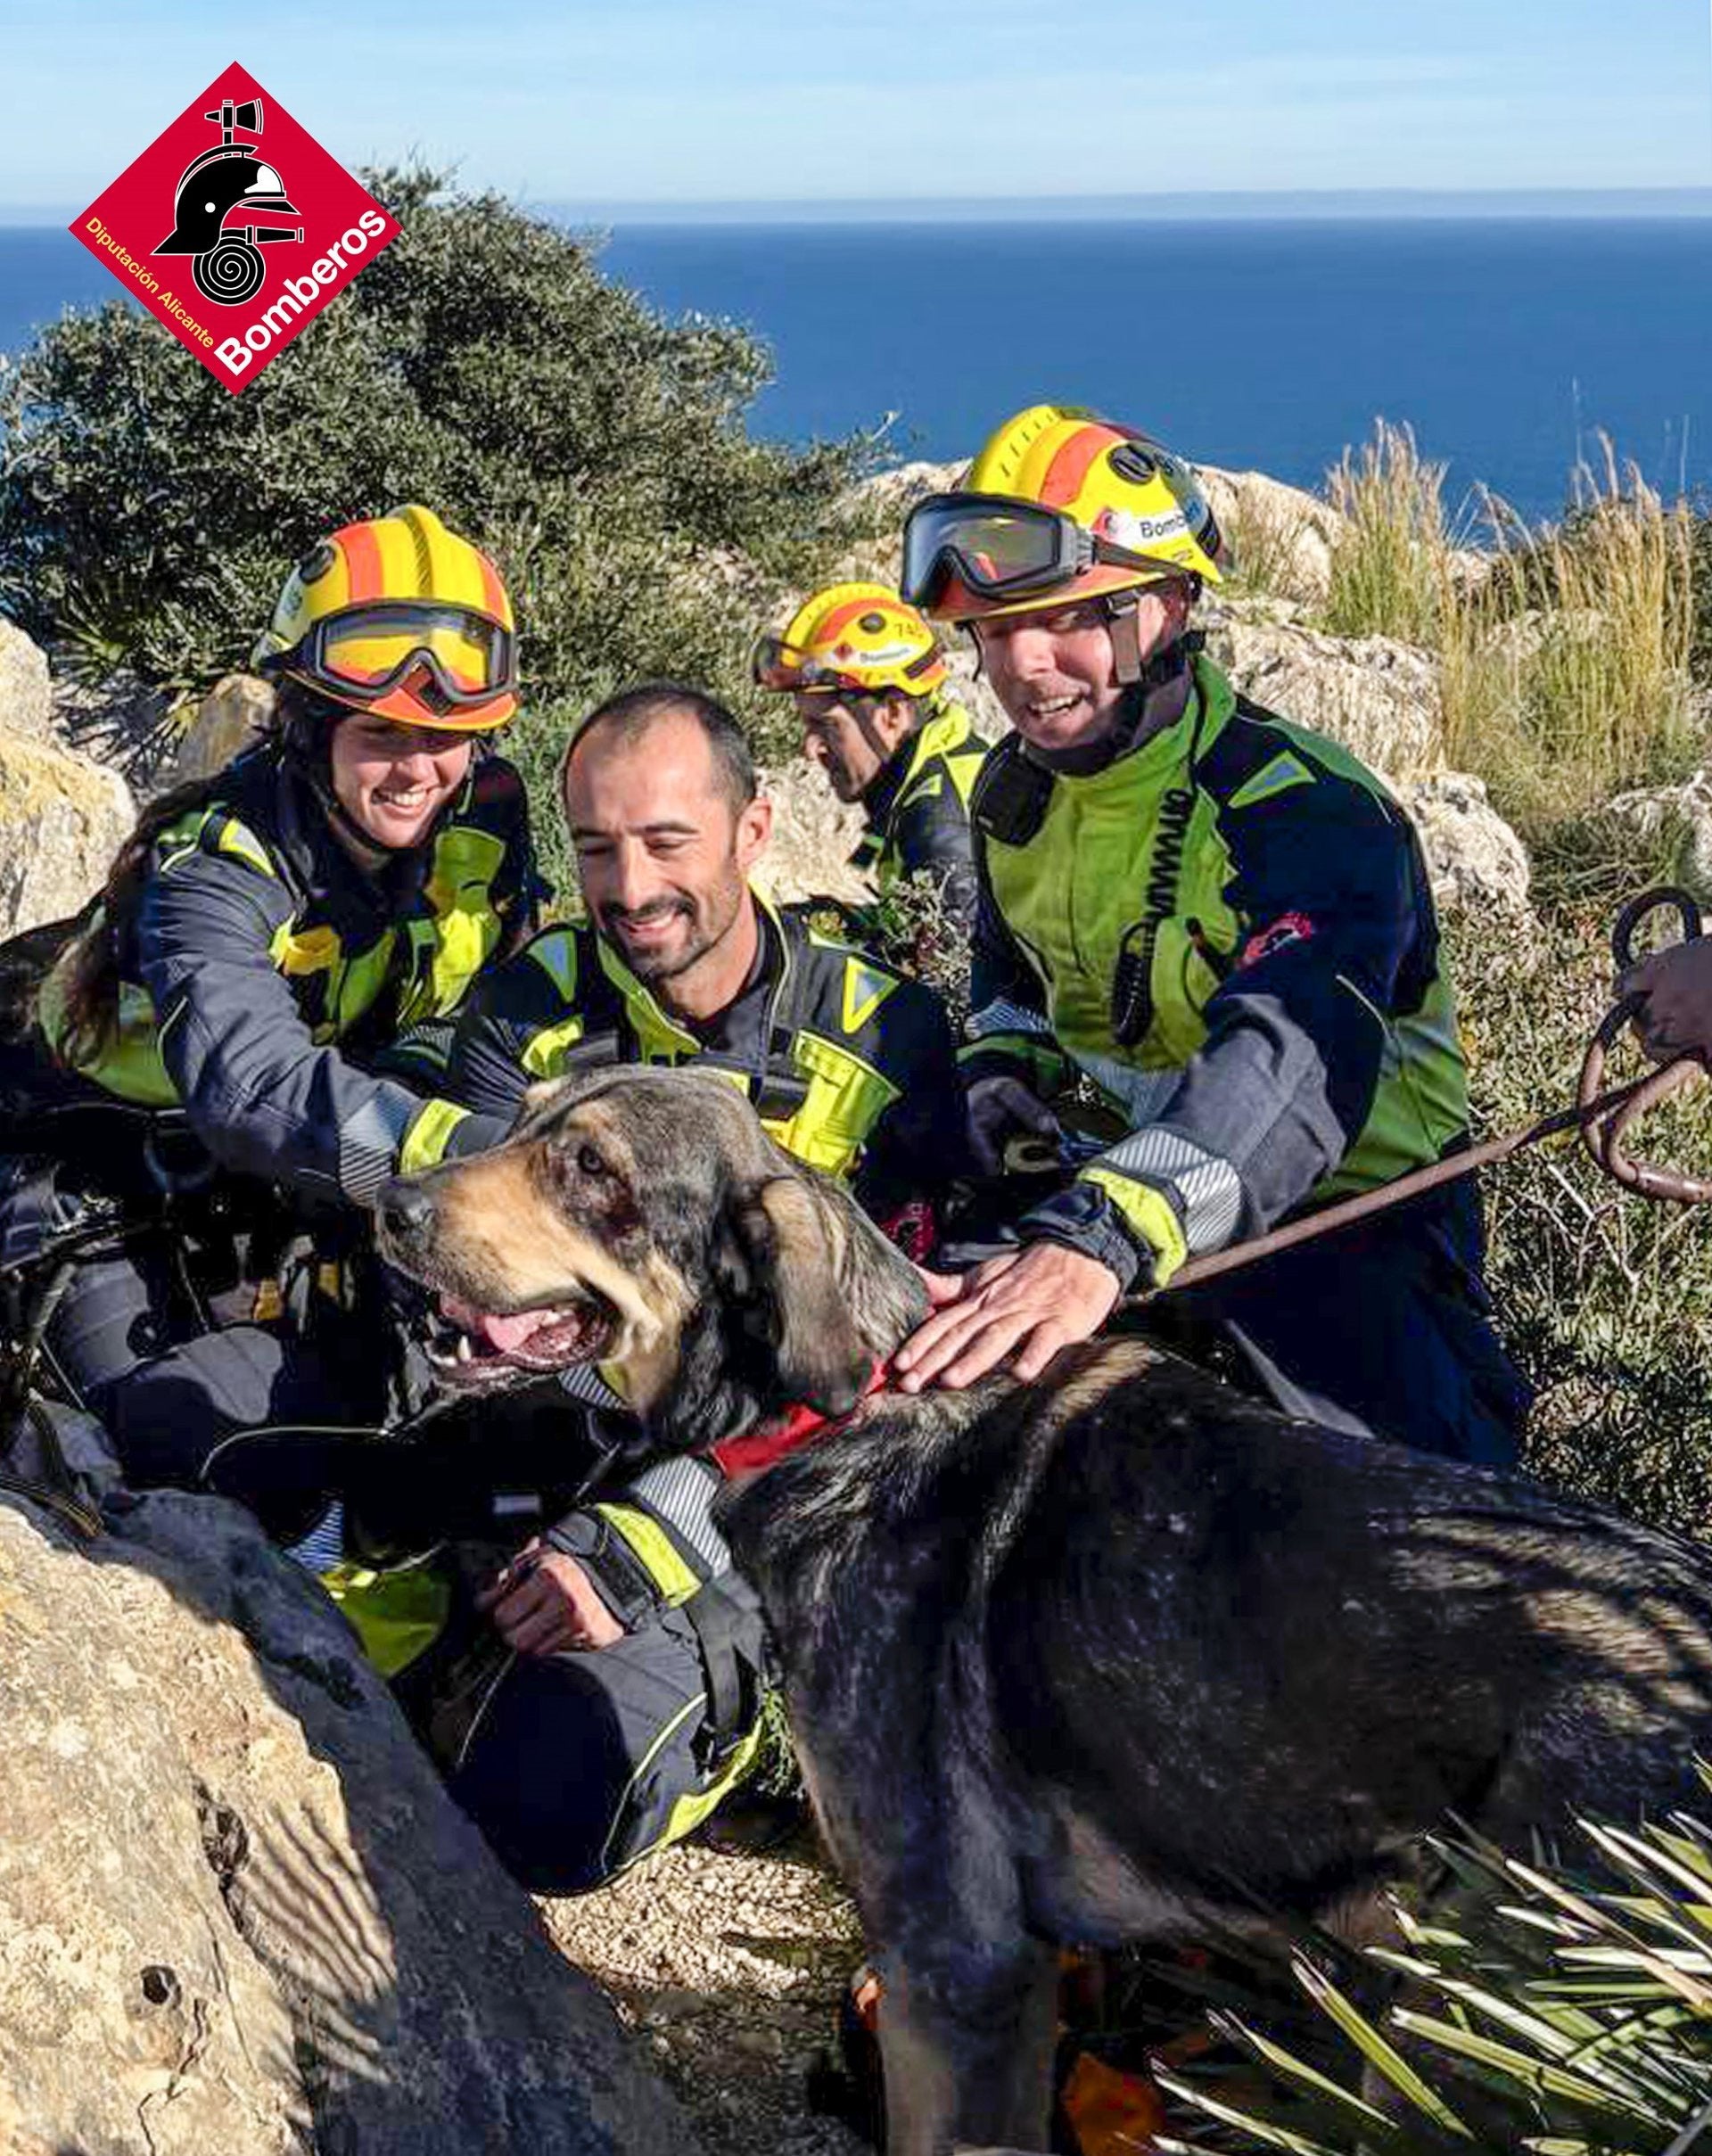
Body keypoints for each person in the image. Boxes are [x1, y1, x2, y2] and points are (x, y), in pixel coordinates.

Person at [388, 679, 968, 1891]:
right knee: (352, 1551)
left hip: (790, 1479)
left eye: (667, 841)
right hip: (586, 1411)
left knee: (540, 1802)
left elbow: (909, 1371)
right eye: (597, 847)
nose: (632, 886)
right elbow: (471, 1228)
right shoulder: (535, 1001)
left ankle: (763, 1728)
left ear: (754, 833)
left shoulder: (888, 1038)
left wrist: (655, 1537)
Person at [890, 403, 1529, 1466]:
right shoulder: (1016, 796)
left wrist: (1101, 1234)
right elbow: (1013, 979)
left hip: (1344, 1221)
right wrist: (1005, 1069)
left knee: (1409, 1514)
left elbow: (1287, 1062)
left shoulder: (1305, 811)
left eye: (1069, 620)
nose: (1025, 666)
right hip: (1114, 1179)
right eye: (996, 633)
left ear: (1170, 607)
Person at [0, 504, 539, 1500]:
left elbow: (505, 1004)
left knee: (435, 1413)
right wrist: (487, 1168)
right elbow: (251, 1084)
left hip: (283, 1180)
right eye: (381, 732)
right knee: (184, 1451)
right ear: (309, 721)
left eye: (449, 734)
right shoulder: (214, 866)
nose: (418, 768)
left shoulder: (490, 825)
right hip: (86, 1178)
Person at [753, 581, 985, 936]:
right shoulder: (931, 770)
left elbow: (947, 973)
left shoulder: (937, 824)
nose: (811, 748)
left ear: (892, 715)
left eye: (827, 726)